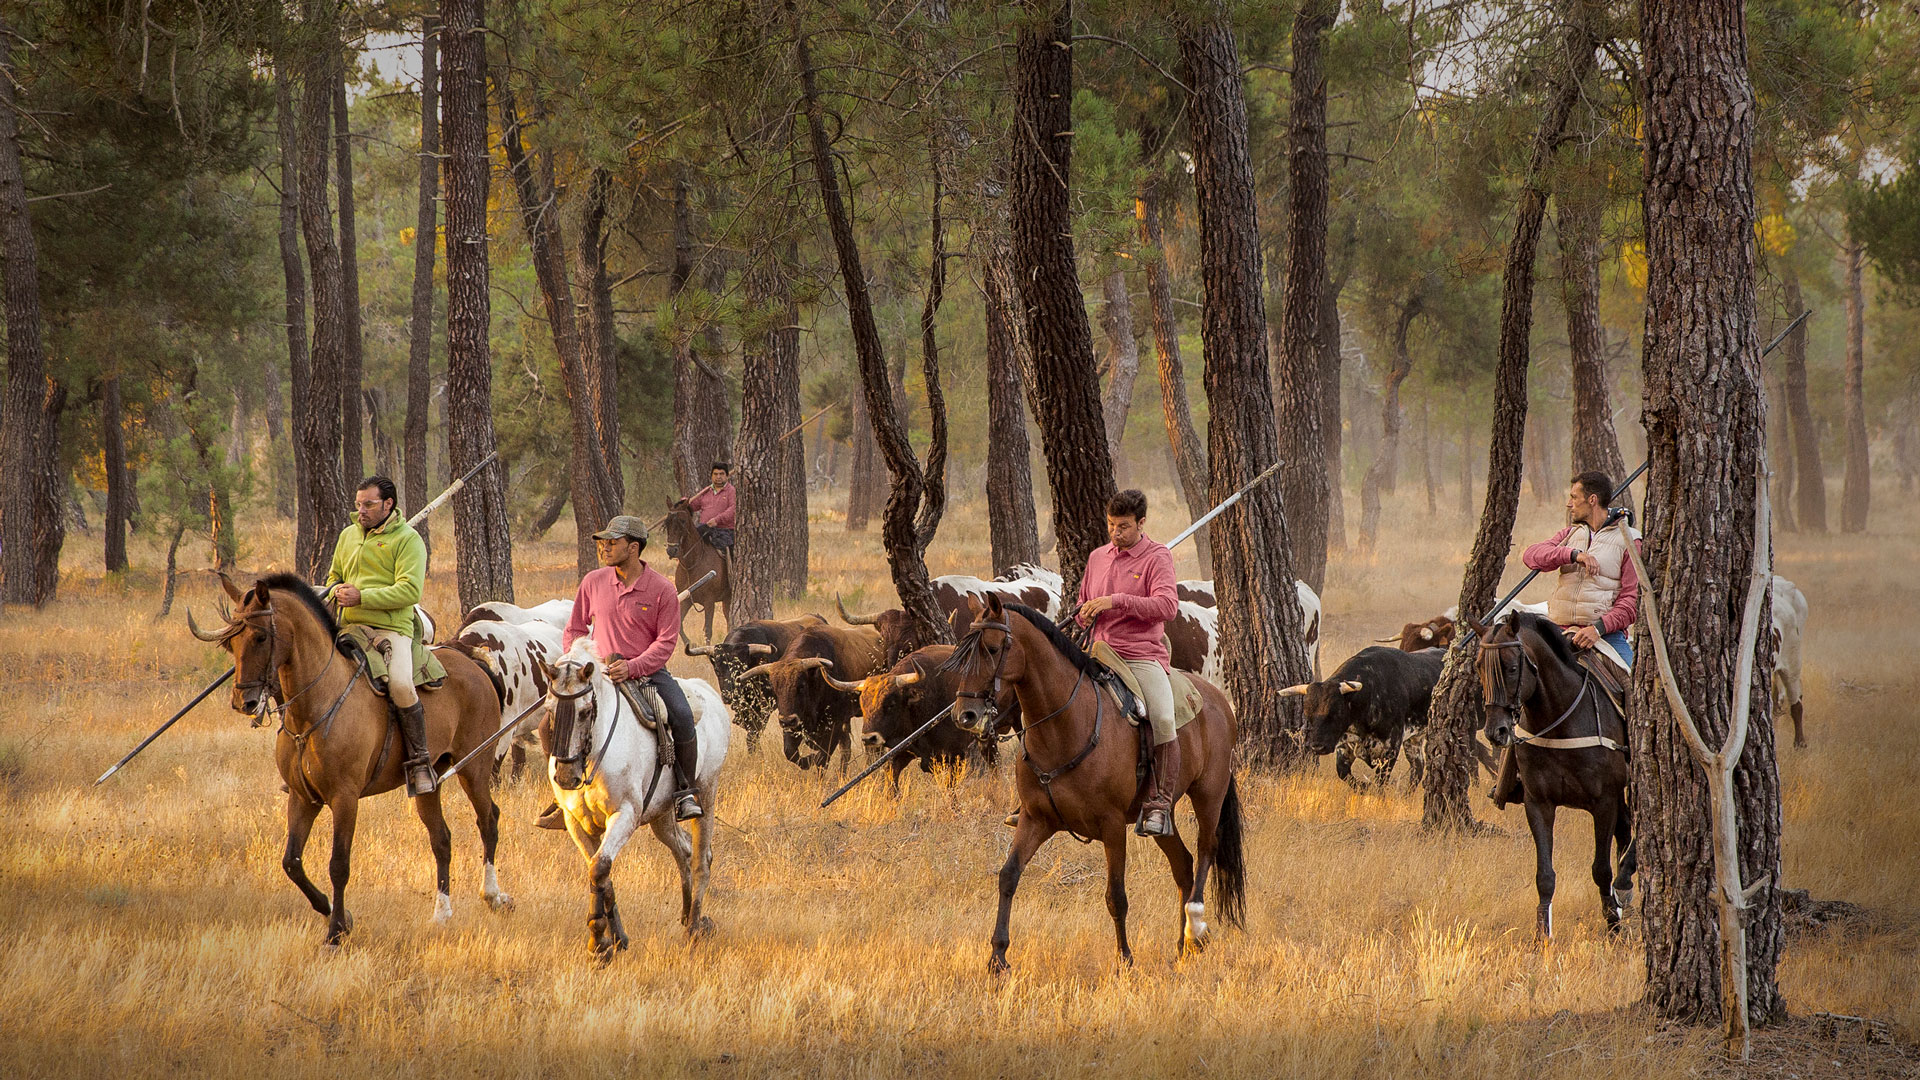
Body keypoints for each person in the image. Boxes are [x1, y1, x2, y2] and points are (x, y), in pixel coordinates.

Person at [1488, 469, 1641, 808]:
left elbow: (1631, 602)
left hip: (1604, 637)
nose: (1567, 502)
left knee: (1637, 693)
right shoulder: (1570, 534)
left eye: (1573, 497)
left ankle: (1644, 774)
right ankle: (1510, 782)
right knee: (1523, 688)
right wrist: (1573, 555)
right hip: (1557, 632)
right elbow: (1532, 555)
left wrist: (1597, 628)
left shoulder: (1631, 541)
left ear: (1592, 500)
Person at [551, 515, 703, 824]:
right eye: (603, 542)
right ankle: (562, 796)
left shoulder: (662, 589)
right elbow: (575, 628)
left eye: (612, 542)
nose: (604, 547)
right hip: (596, 674)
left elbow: (665, 643)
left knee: (683, 716)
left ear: (633, 548)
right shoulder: (593, 582)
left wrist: (633, 666)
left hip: (647, 673)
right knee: (548, 723)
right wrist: (579, 658)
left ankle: (685, 792)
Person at [1076, 489, 1182, 837]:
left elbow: (1167, 607)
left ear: (1141, 523)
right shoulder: (1097, 558)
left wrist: (1115, 601)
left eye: (1123, 526)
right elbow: (1083, 605)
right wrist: (1084, 613)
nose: (1115, 533)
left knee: (1164, 717)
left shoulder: (1157, 557)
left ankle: (1159, 804)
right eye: (1110, 525)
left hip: (1139, 654)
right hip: (1096, 651)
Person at [325, 476, 434, 797]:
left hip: (392, 628)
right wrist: (335, 589)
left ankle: (420, 760)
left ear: (389, 504)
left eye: (369, 505)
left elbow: (410, 590)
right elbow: (334, 577)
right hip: (348, 627)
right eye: (359, 504)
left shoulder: (409, 540)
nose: (362, 511)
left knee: (400, 683)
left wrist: (362, 597)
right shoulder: (348, 536)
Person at [686, 463, 736, 557]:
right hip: (704, 528)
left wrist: (717, 520)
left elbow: (733, 509)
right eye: (715, 474)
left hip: (724, 530)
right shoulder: (707, 491)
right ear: (711, 476)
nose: (718, 477)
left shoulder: (731, 491)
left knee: (726, 552)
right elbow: (695, 505)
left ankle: (731, 570)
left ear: (727, 476)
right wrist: (684, 502)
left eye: (721, 474)